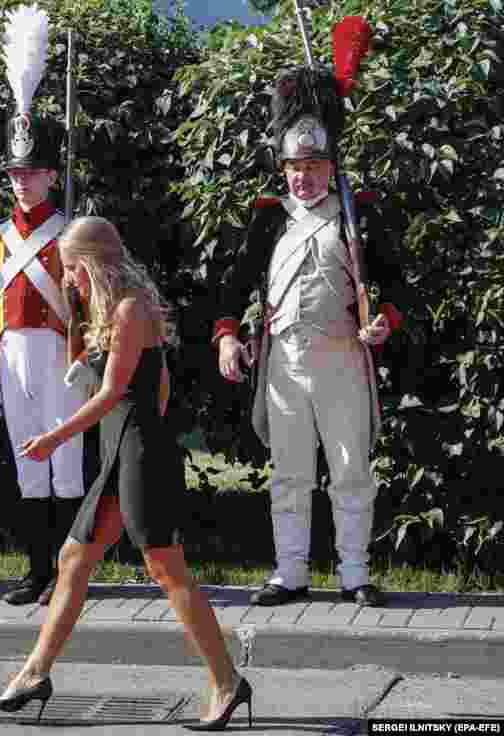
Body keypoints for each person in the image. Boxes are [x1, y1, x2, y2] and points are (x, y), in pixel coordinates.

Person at [0, 216, 252, 732]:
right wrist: (80, 343)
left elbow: (112, 394)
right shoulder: (107, 308)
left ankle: (226, 682)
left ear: (91, 264)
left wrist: (56, 437)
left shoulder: (130, 308)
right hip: (119, 449)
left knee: (164, 567)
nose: (67, 280)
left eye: (70, 270)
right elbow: (147, 381)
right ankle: (35, 673)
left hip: (138, 449)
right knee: (74, 557)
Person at [213, 54, 405, 608]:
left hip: (343, 356)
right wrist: (228, 335)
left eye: (314, 166)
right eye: (294, 167)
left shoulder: (357, 213)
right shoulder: (269, 216)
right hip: (283, 362)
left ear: (330, 164)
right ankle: (290, 571)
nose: (302, 177)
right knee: (291, 475)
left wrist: (382, 322)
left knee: (349, 472)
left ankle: (354, 573)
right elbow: (233, 288)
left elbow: (398, 288)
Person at [0, 4, 85, 607]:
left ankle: (69, 572)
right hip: (13, 352)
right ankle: (36, 570)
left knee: (66, 459)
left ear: (50, 175)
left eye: (34, 173)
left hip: (61, 354)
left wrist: (86, 353)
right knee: (27, 461)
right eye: (17, 173)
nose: (23, 182)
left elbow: (91, 305)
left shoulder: (72, 232)